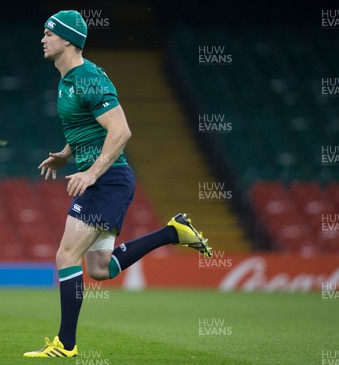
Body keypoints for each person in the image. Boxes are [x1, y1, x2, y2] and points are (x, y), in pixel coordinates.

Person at [24, 10, 212, 358]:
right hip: (107, 180)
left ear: (67, 40)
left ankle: (66, 345)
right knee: (99, 270)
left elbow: (121, 131)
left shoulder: (88, 78)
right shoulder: (68, 80)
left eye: (48, 33)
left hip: (107, 181)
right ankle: (173, 232)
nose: (43, 39)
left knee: (66, 255)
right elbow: (86, 125)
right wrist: (67, 154)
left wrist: (91, 173)